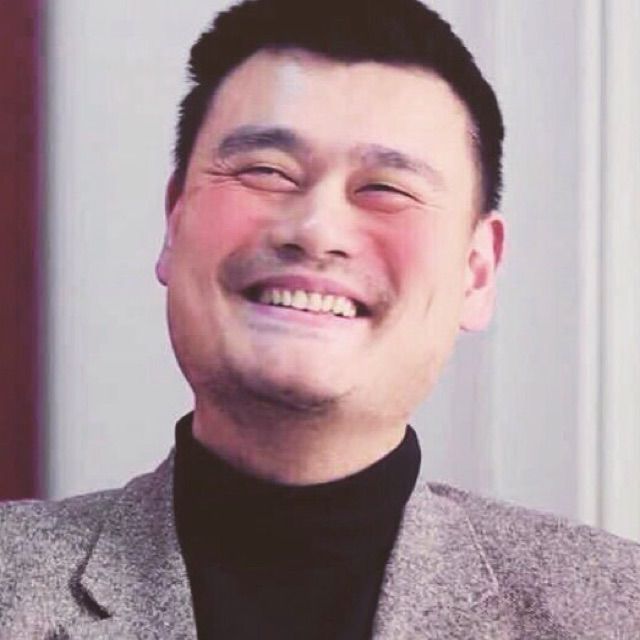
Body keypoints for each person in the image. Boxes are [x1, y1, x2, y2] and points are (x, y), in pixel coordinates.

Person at [1, 0, 639, 637]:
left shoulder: (613, 608)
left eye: (384, 189)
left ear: (477, 270)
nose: (316, 230)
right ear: (174, 221)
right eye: (266, 172)